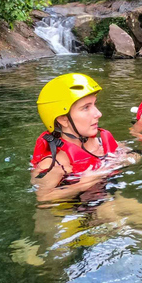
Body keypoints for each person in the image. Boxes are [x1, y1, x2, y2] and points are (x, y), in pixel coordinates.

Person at [31, 73, 120, 202]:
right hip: (78, 212)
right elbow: (43, 198)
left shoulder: (102, 144)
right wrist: (81, 185)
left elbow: (132, 156)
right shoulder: (54, 165)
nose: (98, 114)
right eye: (85, 108)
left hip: (110, 197)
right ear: (63, 120)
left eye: (94, 105)